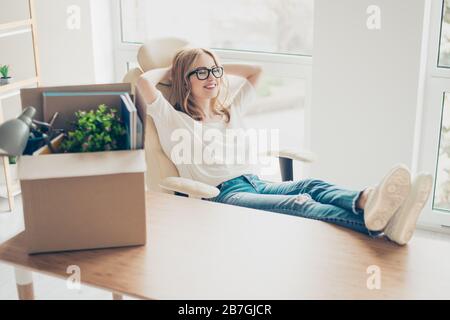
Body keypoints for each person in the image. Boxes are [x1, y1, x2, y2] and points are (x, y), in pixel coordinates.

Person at [136, 47, 433, 245]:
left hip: (255, 182)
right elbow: (143, 80)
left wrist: (209, 62)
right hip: (222, 195)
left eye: (214, 71)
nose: (211, 78)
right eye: (200, 73)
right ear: (183, 80)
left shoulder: (229, 110)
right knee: (298, 202)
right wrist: (175, 66)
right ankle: (378, 225)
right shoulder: (173, 119)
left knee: (313, 185)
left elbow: (255, 70)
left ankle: (368, 200)